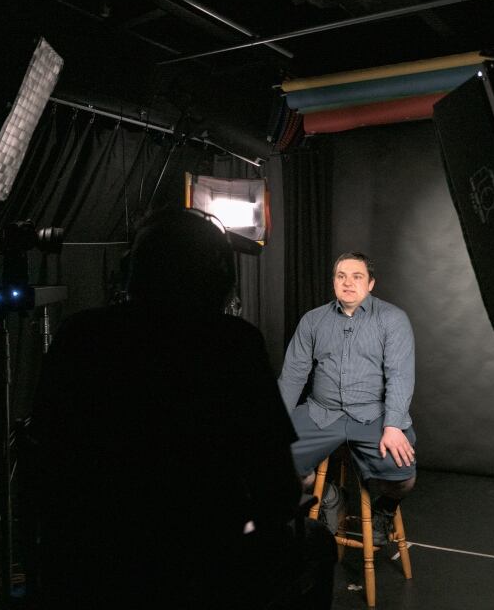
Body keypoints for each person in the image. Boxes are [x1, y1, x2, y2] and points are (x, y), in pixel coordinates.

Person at [27, 208, 334, 609]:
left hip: (90, 564)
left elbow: (43, 465)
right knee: (320, 544)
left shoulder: (78, 336)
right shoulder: (235, 344)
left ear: (131, 271)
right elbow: (273, 486)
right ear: (220, 276)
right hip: (204, 566)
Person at [278, 251, 416, 545]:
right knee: (272, 457)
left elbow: (400, 375)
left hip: (373, 415)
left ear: (371, 284)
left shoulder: (393, 319)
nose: (348, 283)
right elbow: (292, 376)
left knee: (404, 474)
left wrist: (393, 426)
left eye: (357, 277)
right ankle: (329, 495)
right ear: (334, 282)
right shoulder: (313, 320)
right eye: (341, 276)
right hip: (321, 412)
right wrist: (274, 422)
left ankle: (385, 509)